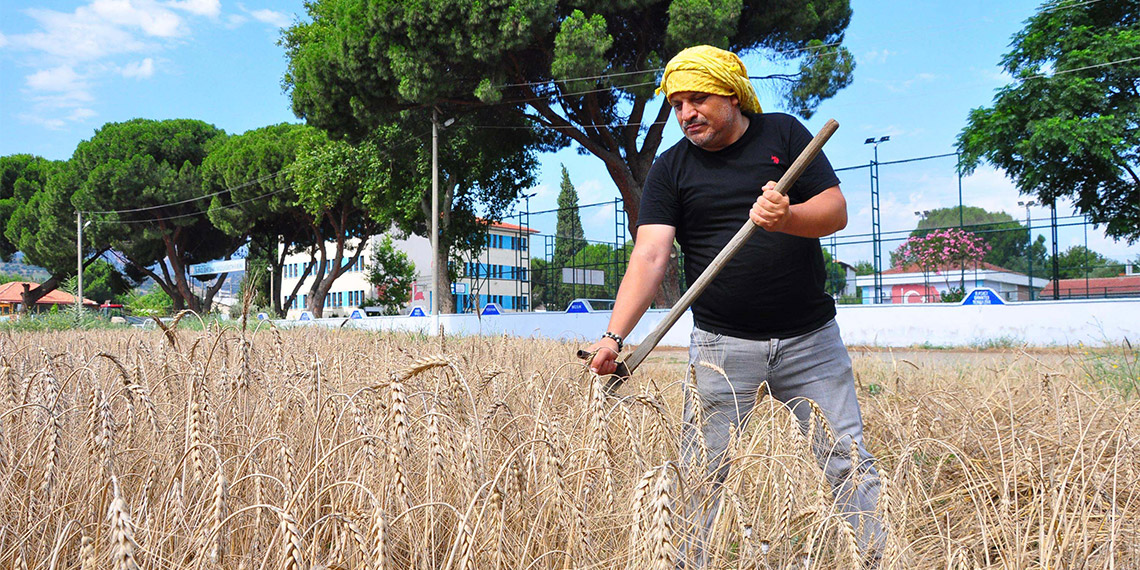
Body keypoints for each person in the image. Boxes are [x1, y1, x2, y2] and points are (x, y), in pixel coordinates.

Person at [583, 45, 884, 566]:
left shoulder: (785, 135)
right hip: (722, 344)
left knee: (847, 461)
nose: (685, 114)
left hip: (810, 340)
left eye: (697, 99)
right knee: (701, 470)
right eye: (677, 104)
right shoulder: (671, 168)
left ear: (732, 94)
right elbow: (651, 253)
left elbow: (835, 212)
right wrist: (614, 336)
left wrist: (787, 216)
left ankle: (874, 558)